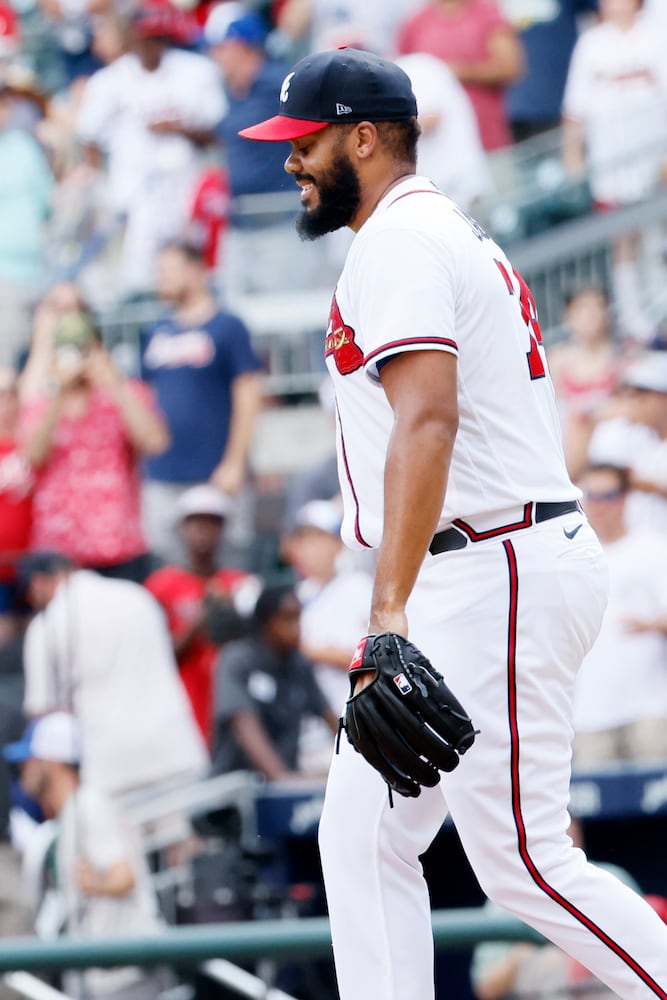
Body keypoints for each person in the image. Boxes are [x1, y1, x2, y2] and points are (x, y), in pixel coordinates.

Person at [239, 46, 667, 999]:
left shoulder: (400, 240)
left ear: (363, 136)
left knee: (523, 858)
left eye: (303, 141)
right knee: (357, 837)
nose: (288, 161)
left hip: (492, 561)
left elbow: (427, 417)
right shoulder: (429, 232)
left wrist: (385, 611)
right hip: (474, 560)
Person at [19, 551, 209, 805]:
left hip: (110, 770)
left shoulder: (47, 623)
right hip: (176, 750)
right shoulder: (136, 595)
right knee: (185, 842)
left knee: (120, 845)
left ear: (38, 582)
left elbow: (46, 714)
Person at [3, 712, 167, 1000]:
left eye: (29, 759)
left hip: (127, 974)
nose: (23, 769)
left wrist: (93, 883)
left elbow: (123, 875)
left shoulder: (88, 804)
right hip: (111, 974)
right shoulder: (73, 810)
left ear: (49, 762)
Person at [75, 2, 224, 297]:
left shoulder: (195, 70)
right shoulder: (109, 81)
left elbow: (218, 133)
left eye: (157, 37)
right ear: (131, 37)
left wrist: (179, 129)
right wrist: (102, 187)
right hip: (133, 200)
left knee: (194, 278)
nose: (151, 44)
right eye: (145, 36)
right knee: (138, 286)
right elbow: (87, 136)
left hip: (187, 197)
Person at [19, 298, 168, 583]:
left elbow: (155, 442)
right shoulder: (42, 400)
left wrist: (114, 385)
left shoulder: (123, 392)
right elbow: (33, 457)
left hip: (119, 544)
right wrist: (58, 394)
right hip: (59, 549)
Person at [140, 241, 263, 565]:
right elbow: (146, 399)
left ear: (196, 270)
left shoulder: (227, 326)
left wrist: (235, 462)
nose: (160, 279)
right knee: (171, 572)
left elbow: (248, 396)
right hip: (165, 473)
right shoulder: (155, 331)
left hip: (216, 471)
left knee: (231, 569)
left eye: (168, 270)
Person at [561, 0, 667, 342]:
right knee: (624, 242)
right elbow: (575, 112)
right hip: (612, 166)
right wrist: (573, 162)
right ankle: (637, 322)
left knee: (658, 236)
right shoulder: (592, 43)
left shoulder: (657, 33)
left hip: (656, 158)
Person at [144, 483, 260, 748]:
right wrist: (201, 618)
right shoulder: (160, 585)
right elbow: (155, 658)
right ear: (182, 528)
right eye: (195, 522)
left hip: (232, 703)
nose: (203, 531)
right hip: (181, 704)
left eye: (212, 523)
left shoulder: (241, 583)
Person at [572, 463, 667, 767]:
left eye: (608, 495)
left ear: (626, 498)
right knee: (586, 808)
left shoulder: (653, 549)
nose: (599, 505)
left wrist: (653, 625)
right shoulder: (571, 556)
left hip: (650, 710)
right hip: (588, 713)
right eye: (590, 495)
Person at [212, 583, 339, 781]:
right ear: (265, 622)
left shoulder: (298, 664)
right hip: (236, 794)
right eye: (287, 618)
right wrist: (283, 779)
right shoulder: (236, 661)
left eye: (298, 617)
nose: (296, 628)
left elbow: (332, 721)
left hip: (283, 787)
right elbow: (244, 726)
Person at [281, 499, 372, 771]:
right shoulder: (296, 596)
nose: (308, 548)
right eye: (303, 540)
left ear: (337, 543)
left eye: (317, 539)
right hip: (309, 728)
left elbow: (373, 657)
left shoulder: (360, 588)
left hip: (357, 717)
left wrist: (309, 651)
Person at [396, 0, 524, 151]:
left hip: (487, 140)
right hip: (436, 147)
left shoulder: (486, 12)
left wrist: (452, 71)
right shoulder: (416, 22)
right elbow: (401, 74)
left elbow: (509, 68)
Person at [586, 350, 667, 535]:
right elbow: (596, 485)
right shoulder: (616, 432)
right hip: (628, 551)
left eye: (643, 393)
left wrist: (646, 484)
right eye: (629, 393)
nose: (634, 400)